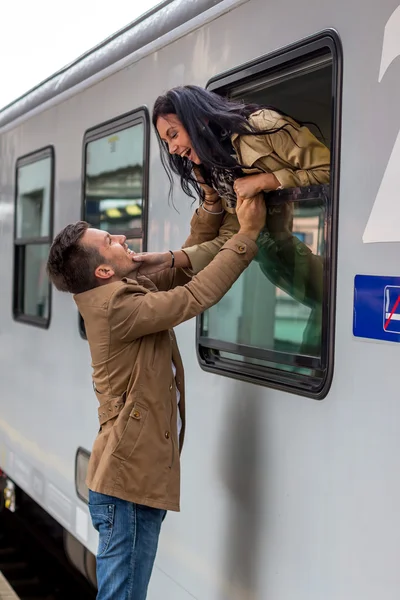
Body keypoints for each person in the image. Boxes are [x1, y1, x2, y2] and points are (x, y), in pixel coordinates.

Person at [46, 193, 266, 600]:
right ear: (103, 269)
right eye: (110, 240)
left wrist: (211, 212)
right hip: (125, 487)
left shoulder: (119, 293)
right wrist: (247, 235)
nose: (121, 236)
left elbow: (176, 275)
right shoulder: (117, 308)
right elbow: (192, 296)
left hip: (130, 480)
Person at [131, 85, 329, 355]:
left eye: (173, 135)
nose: (173, 148)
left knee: (323, 323)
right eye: (167, 142)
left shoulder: (262, 126)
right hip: (277, 266)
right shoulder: (214, 168)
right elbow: (231, 237)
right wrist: (172, 258)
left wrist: (267, 180)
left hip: (294, 258)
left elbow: (331, 170)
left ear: (199, 119)